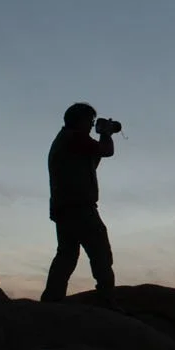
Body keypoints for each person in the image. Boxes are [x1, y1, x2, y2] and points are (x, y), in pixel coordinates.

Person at [41, 101, 119, 304]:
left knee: (66, 255)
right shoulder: (74, 137)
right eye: (91, 121)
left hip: (63, 208)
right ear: (81, 120)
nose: (92, 125)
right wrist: (107, 133)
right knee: (100, 251)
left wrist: (102, 136)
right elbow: (106, 151)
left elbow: (92, 162)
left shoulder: (65, 140)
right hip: (80, 207)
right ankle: (107, 299)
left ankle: (51, 300)